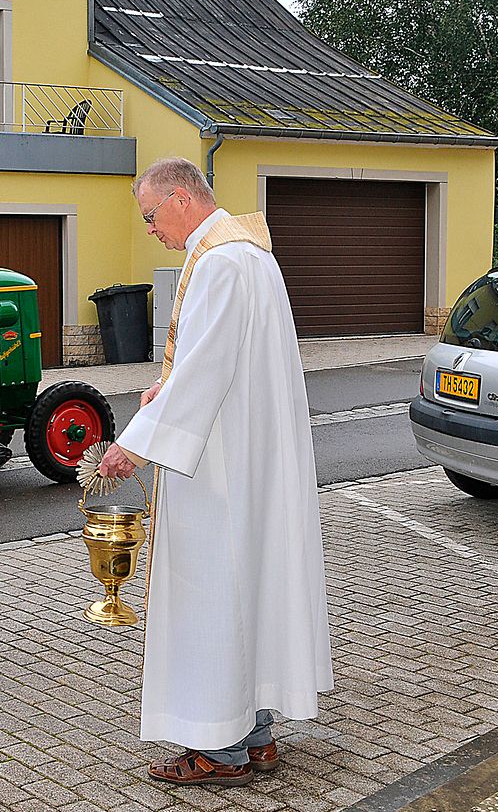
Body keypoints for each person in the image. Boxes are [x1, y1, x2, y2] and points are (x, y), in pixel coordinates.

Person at [97, 157, 333, 787]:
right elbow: (220, 361)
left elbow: (205, 371)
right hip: (247, 456)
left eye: (151, 216)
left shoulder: (220, 262)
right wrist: (165, 390)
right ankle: (256, 737)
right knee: (249, 591)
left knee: (211, 599)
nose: (152, 230)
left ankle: (218, 752)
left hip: (217, 469)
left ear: (181, 198)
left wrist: (134, 445)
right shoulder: (252, 254)